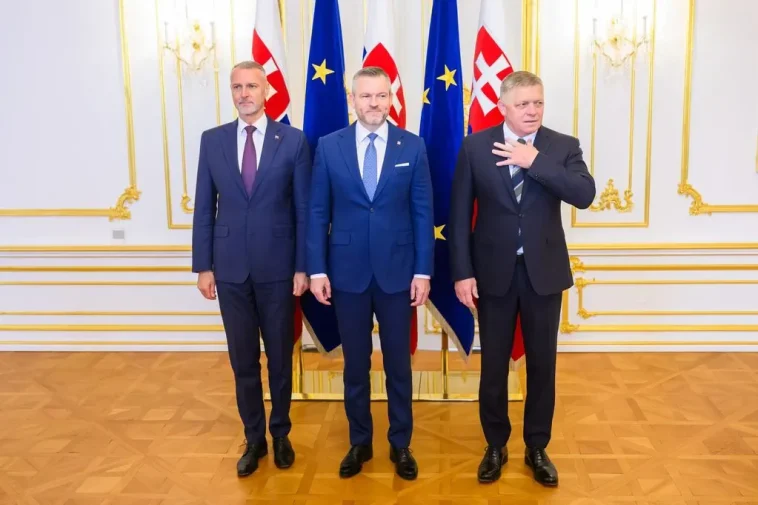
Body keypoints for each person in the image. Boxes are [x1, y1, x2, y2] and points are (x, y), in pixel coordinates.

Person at [448, 70, 596, 486]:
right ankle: (495, 445)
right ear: (502, 106)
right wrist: (462, 272)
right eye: (523, 104)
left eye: (538, 103)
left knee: (542, 366)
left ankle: (537, 446)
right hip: (492, 274)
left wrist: (536, 162)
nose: (532, 111)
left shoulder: (562, 146)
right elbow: (458, 215)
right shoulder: (475, 146)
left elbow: (584, 194)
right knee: (493, 366)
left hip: (543, 275)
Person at [306, 66, 434, 480]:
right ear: (353, 100)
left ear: (391, 98)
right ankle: (359, 441)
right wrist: (316, 269)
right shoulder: (329, 146)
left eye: (381, 95)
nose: (374, 103)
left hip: (398, 275)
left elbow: (422, 213)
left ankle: (401, 443)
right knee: (355, 366)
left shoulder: (412, 146)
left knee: (398, 364)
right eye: (366, 96)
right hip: (346, 275)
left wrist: (423, 271)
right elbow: (317, 212)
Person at [191, 60, 311, 477]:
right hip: (229, 270)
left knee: (279, 358)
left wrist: (303, 267)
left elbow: (303, 210)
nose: (244, 94)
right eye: (237, 87)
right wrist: (203, 266)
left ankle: (281, 434)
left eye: (252, 86)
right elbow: (204, 206)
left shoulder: (293, 141)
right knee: (243, 361)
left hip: (279, 269)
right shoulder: (213, 140)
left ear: (266, 91)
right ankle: (254, 437)